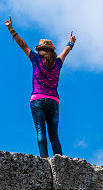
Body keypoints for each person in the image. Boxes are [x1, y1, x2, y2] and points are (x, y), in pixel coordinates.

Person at [5, 16, 76, 157]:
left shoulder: (36, 59)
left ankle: (44, 158)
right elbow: (65, 52)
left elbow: (23, 45)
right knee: (54, 134)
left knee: (40, 130)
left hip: (37, 99)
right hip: (53, 101)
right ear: (51, 51)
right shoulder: (57, 63)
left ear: (40, 50)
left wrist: (11, 30)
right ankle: (60, 159)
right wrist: (71, 42)